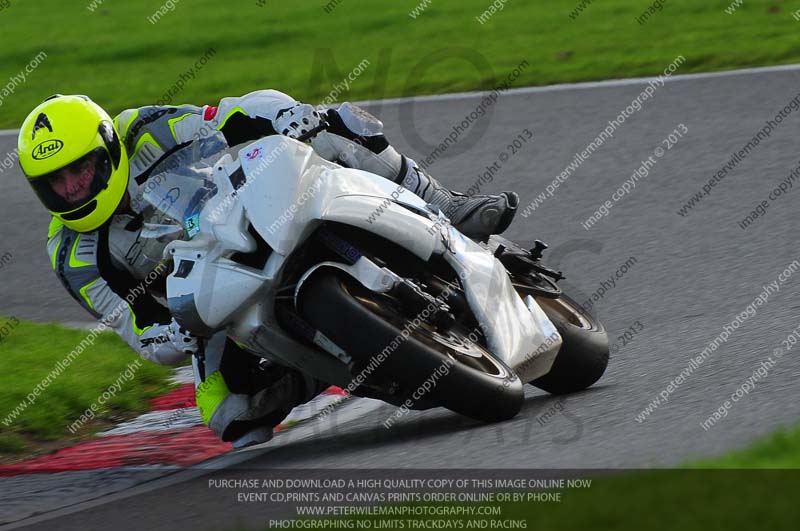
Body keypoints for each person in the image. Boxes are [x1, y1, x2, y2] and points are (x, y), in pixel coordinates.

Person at [17, 91, 519, 447]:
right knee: (231, 418)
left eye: (80, 170)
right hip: (206, 301)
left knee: (336, 127)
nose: (71, 189)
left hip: (244, 212)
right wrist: (172, 335)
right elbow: (134, 328)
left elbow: (225, 117)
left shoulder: (146, 126)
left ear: (107, 149)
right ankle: (336, 363)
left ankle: (446, 204)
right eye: (55, 183)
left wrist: (290, 116)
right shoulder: (73, 254)